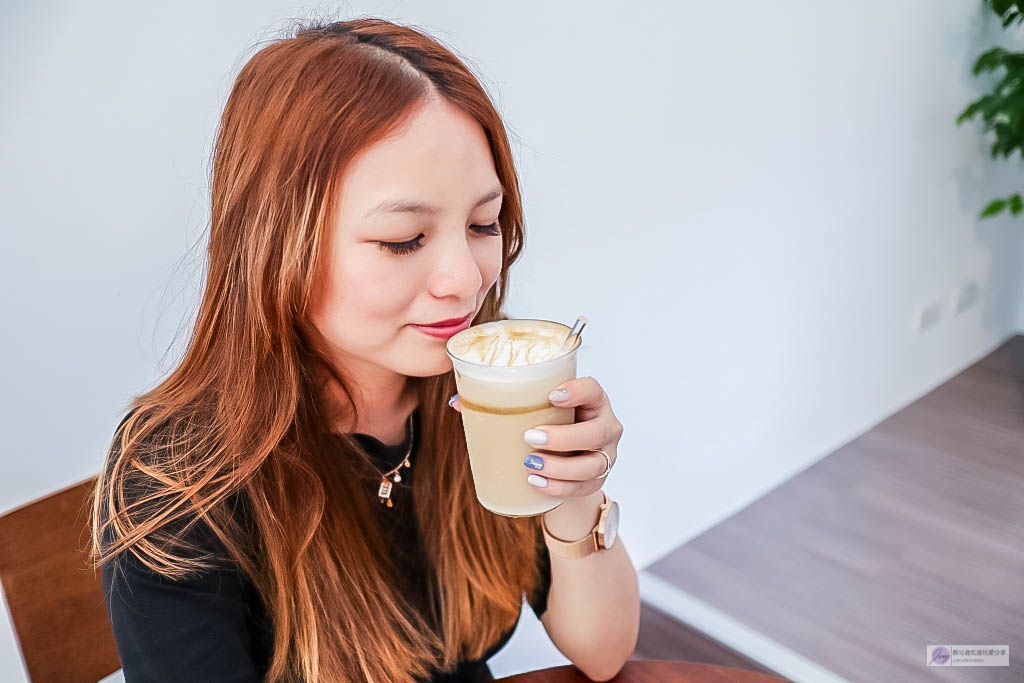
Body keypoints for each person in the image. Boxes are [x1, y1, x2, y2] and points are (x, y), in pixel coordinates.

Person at [90, 17, 639, 683]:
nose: (467, 279)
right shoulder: (178, 481)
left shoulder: (483, 387)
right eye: (404, 238)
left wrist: (576, 498)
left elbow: (604, 652)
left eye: (483, 223)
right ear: (276, 246)